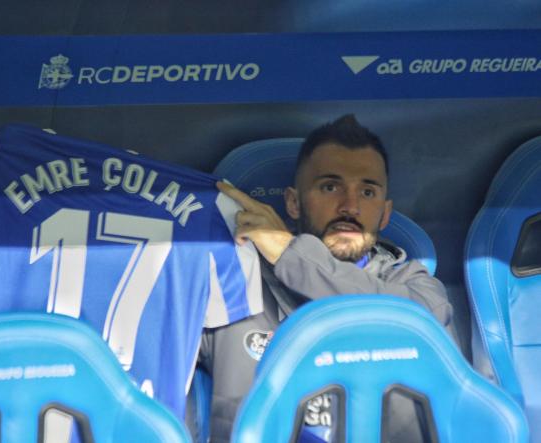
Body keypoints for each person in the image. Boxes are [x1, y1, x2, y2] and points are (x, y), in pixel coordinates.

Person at [195, 114, 457, 443]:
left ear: (385, 212)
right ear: (293, 202)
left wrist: (290, 253)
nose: (350, 206)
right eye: (330, 187)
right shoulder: (228, 280)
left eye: (367, 192)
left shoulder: (417, 290)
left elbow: (394, 322)